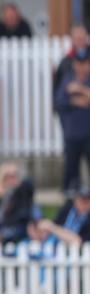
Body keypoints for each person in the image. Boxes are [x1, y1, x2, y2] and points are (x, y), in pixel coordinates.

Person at [55, 46, 90, 192]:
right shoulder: (67, 79)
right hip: (72, 133)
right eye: (78, 63)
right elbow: (60, 101)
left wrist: (80, 90)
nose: (81, 67)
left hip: (88, 133)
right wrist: (78, 101)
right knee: (71, 170)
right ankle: (70, 197)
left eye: (84, 63)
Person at [54, 25, 89, 96]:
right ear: (72, 41)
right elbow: (58, 89)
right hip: (69, 103)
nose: (80, 42)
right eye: (77, 39)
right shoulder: (65, 62)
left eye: (82, 39)